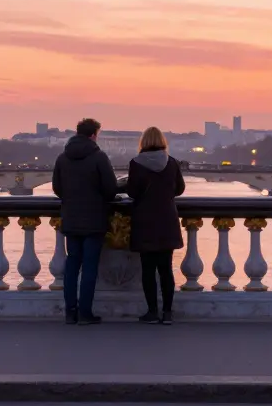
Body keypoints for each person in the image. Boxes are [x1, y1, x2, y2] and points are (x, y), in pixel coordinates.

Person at [52, 118, 118, 326]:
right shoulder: (99, 157)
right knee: (89, 267)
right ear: (93, 135)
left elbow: (57, 188)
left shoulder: (63, 158)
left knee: (72, 266)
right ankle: (85, 313)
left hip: (71, 218)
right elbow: (110, 189)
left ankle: (70, 312)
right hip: (94, 219)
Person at [126, 127, 184, 325]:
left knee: (148, 270)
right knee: (166, 269)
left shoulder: (136, 163)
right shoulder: (172, 162)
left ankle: (152, 312)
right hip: (167, 220)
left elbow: (132, 192)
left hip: (145, 221)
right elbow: (180, 188)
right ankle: (167, 312)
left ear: (143, 142)